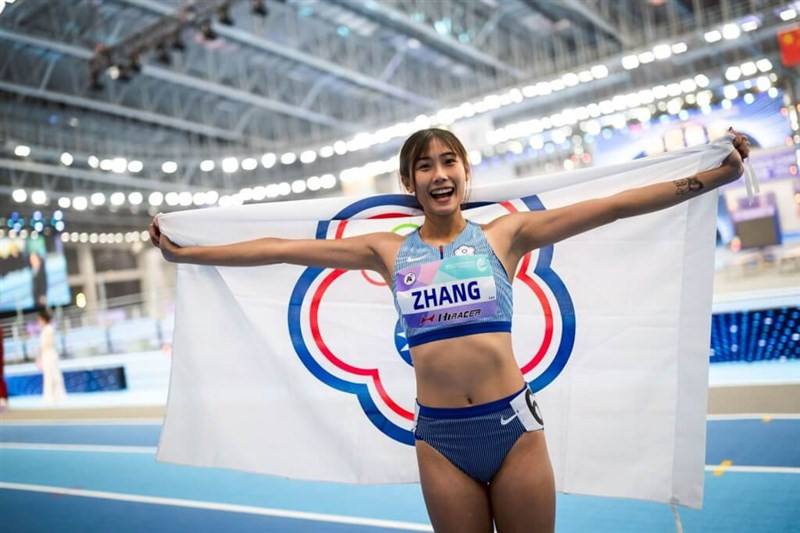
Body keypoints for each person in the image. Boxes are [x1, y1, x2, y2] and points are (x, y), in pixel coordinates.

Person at [149, 128, 750, 533]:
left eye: (448, 161)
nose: (438, 174)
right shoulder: (385, 250)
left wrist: (714, 177)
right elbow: (280, 249)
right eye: (424, 167)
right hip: (440, 440)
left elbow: (613, 206)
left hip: (513, 429)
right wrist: (188, 257)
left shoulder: (504, 237)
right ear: (410, 184)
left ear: (464, 173)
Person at [36, 309, 66, 404]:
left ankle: (57, 395)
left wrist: (39, 355)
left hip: (49, 354)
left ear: (43, 319)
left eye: (39, 320)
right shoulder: (45, 330)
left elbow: (48, 344)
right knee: (48, 376)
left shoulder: (49, 329)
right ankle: (50, 395)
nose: (38, 322)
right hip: (46, 354)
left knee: (53, 375)